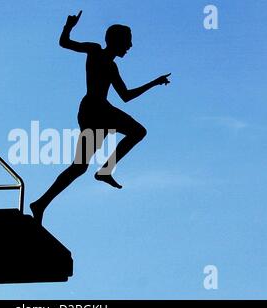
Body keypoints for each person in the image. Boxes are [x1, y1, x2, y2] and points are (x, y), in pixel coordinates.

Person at [30, 11, 171, 225]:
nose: (130, 46)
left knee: (82, 165)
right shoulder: (95, 51)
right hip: (94, 110)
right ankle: (101, 173)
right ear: (117, 41)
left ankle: (41, 203)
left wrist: (154, 82)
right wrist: (69, 26)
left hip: (102, 111)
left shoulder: (113, 66)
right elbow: (64, 43)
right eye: (128, 42)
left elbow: (126, 96)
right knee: (81, 165)